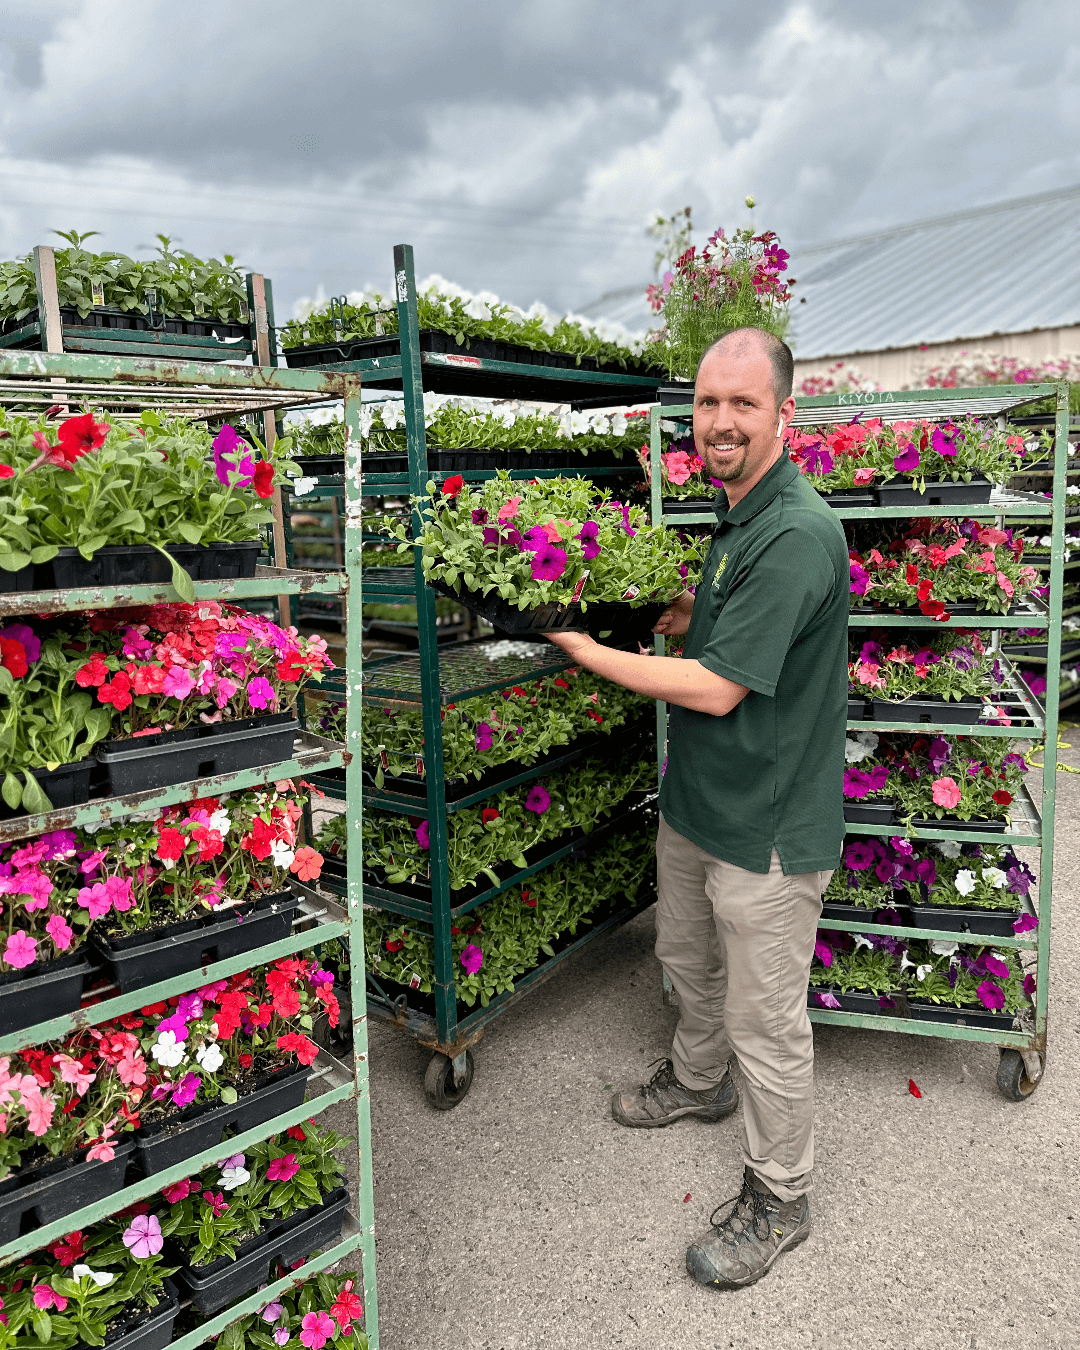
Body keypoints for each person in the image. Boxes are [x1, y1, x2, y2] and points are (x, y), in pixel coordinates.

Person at [543, 326, 849, 1291]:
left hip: (767, 825)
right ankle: (698, 1082)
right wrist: (670, 612)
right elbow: (718, 627)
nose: (719, 421)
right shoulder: (738, 515)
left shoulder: (797, 530)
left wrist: (588, 652)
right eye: (708, 402)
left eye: (742, 404)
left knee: (768, 1019)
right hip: (701, 803)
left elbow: (718, 688)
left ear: (783, 415)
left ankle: (781, 1195)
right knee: (686, 960)